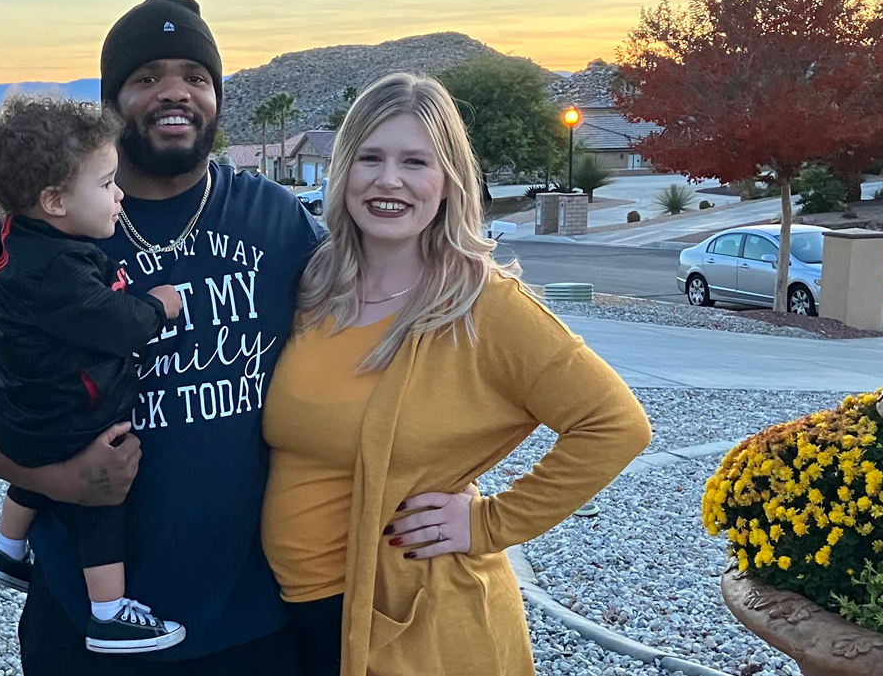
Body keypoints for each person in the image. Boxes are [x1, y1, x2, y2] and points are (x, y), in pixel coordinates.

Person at [0, 0, 323, 675]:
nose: (174, 92)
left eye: (196, 76)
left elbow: (380, 321)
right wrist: (56, 477)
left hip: (245, 614)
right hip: (84, 619)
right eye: (147, 77)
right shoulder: (42, 241)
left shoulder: (275, 220)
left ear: (216, 97)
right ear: (112, 101)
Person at [260, 72, 653, 676]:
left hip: (403, 615)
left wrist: (490, 522)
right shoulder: (314, 286)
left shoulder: (484, 304)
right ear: (344, 172)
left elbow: (615, 424)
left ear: (447, 182)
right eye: (371, 157)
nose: (389, 180)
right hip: (291, 609)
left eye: (415, 161)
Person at [0, 94, 187, 653]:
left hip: (18, 409)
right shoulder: (57, 273)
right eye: (108, 183)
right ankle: (108, 612)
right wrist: (161, 305)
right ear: (55, 200)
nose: (120, 193)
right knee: (105, 493)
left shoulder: (14, 237)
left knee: (37, 457)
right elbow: (118, 325)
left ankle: (9, 549)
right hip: (65, 416)